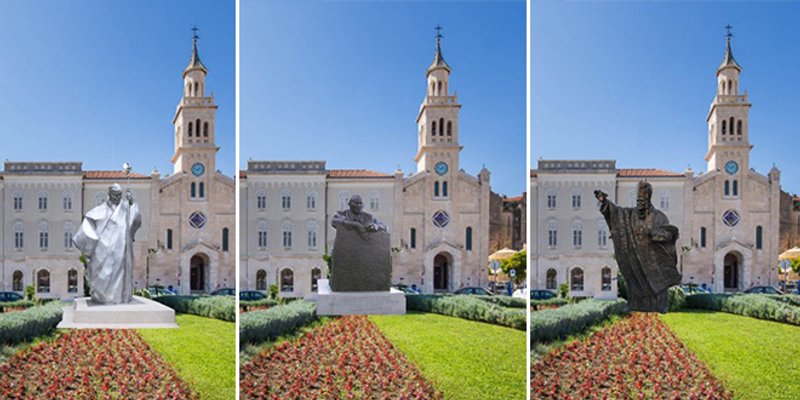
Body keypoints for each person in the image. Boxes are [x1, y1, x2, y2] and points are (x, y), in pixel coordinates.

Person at [595, 181, 682, 312]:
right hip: (635, 259)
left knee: (655, 286)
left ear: (649, 198)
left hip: (653, 261)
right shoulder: (630, 214)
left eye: (642, 200)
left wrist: (654, 233)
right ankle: (635, 306)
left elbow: (668, 234)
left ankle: (659, 306)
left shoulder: (659, 216)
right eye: (638, 200)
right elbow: (617, 213)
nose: (639, 203)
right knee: (636, 284)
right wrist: (605, 202)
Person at [73, 184, 142, 304]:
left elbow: (134, 223)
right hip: (102, 251)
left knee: (120, 276)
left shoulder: (125, 209)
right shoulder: (99, 211)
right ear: (109, 194)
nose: (118, 197)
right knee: (103, 275)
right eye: (115, 195)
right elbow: (87, 227)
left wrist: (132, 204)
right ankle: (102, 297)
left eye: (120, 195)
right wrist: (92, 245)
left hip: (121, 251)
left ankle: (120, 298)